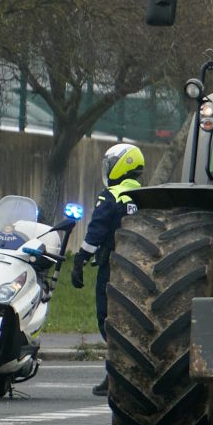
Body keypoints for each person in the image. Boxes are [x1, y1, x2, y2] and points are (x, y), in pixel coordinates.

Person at [73, 143, 145, 397]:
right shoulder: (146, 196)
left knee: (108, 320)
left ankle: (116, 374)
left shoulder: (110, 196)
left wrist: (80, 258)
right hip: (140, 269)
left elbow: (96, 231)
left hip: (112, 267)